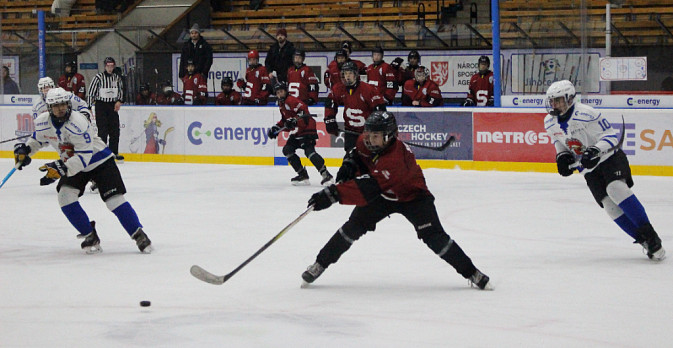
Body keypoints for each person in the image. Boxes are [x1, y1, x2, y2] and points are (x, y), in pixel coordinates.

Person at [300, 111, 493, 290]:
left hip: (413, 197)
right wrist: (349, 165)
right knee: (351, 228)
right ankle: (320, 264)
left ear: (389, 136)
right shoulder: (366, 141)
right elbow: (356, 154)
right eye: (368, 134)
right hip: (383, 196)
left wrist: (332, 194)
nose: (369, 139)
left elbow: (366, 188)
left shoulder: (395, 160)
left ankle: (472, 273)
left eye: (375, 135)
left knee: (435, 238)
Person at [13, 88, 153, 254]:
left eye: (63, 104)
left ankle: (138, 234)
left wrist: (61, 168)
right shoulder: (43, 122)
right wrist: (26, 151)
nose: (61, 108)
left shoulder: (78, 122)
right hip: (73, 163)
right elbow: (38, 139)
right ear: (49, 107)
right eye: (56, 105)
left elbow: (84, 156)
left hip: (99, 160)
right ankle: (89, 234)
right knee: (65, 196)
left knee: (113, 200)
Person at [545, 80, 665, 261]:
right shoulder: (549, 122)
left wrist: (594, 150)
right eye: (552, 101)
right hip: (588, 168)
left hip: (610, 158)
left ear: (569, 99)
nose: (554, 104)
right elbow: (560, 141)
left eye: (559, 100)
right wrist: (561, 156)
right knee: (609, 206)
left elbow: (610, 136)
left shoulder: (587, 114)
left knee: (615, 188)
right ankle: (643, 241)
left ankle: (651, 235)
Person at [268, 82, 333, 186]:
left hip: (307, 128)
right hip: (298, 131)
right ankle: (302, 174)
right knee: (287, 149)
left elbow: (303, 112)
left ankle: (326, 174)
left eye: (281, 91)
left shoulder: (291, 100)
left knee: (309, 152)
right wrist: (277, 128)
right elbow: (285, 120)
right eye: (277, 92)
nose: (280, 94)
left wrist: (295, 121)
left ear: (286, 91)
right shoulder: (281, 104)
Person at [325, 61, 387, 152]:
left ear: (356, 74)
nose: (347, 76)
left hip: (367, 133)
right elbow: (330, 102)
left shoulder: (367, 89)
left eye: (350, 73)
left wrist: (377, 128)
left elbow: (380, 108)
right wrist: (330, 119)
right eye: (345, 73)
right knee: (350, 159)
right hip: (350, 131)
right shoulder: (339, 88)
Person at [87, 57, 125, 162]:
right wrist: (89, 106)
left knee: (115, 130)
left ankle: (114, 152)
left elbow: (121, 90)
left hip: (112, 106)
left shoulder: (117, 78)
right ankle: (102, 153)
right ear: (105, 66)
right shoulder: (98, 77)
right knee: (102, 131)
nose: (110, 68)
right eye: (108, 66)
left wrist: (119, 101)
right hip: (101, 105)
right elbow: (91, 92)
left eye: (112, 66)